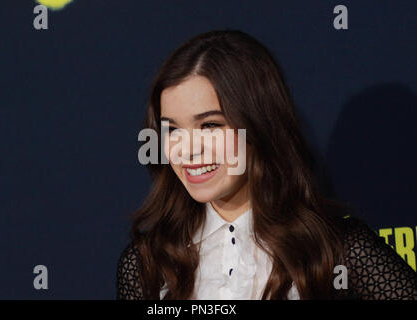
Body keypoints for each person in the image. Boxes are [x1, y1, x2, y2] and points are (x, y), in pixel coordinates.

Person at [117, 29, 417, 300]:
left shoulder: (337, 250)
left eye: (209, 125)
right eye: (173, 130)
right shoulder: (147, 264)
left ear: (259, 125)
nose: (188, 150)